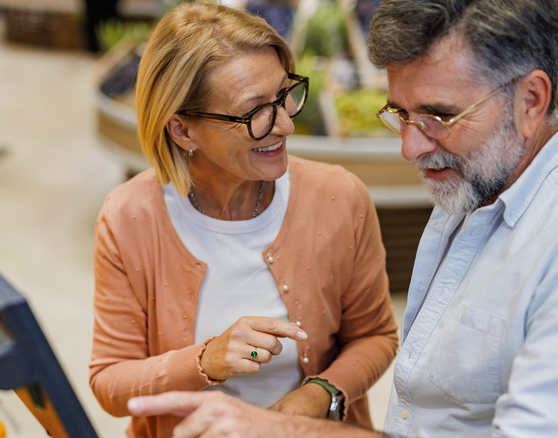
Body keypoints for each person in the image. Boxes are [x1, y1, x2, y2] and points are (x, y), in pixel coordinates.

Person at [126, 0, 558, 436]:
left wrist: (292, 423)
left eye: (440, 116)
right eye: (401, 115)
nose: (409, 149)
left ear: (531, 101)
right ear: (182, 130)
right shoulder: (473, 187)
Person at [89, 2, 399, 437]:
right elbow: (109, 384)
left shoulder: (338, 197)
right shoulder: (130, 216)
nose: (285, 125)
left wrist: (316, 397)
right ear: (182, 130)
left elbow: (376, 336)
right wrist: (205, 360)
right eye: (255, 112)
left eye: (284, 95)